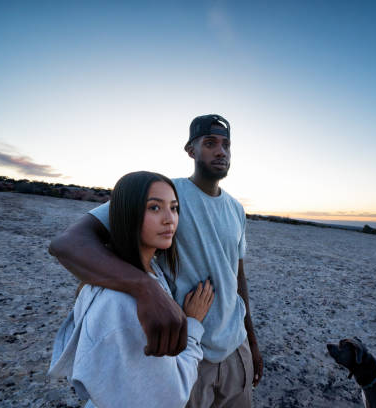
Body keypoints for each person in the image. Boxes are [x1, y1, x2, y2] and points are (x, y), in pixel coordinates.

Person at [49, 114, 263, 407]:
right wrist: (145, 289)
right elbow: (68, 244)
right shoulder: (165, 193)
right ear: (191, 150)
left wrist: (250, 340)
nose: (220, 151)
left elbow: (237, 276)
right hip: (186, 350)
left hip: (236, 350)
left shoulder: (236, 209)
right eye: (210, 142)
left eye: (226, 144)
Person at [48, 171, 215, 407]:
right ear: (128, 214)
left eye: (174, 208)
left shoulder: (151, 269)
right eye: (154, 208)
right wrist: (193, 326)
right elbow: (170, 395)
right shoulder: (122, 300)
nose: (170, 219)